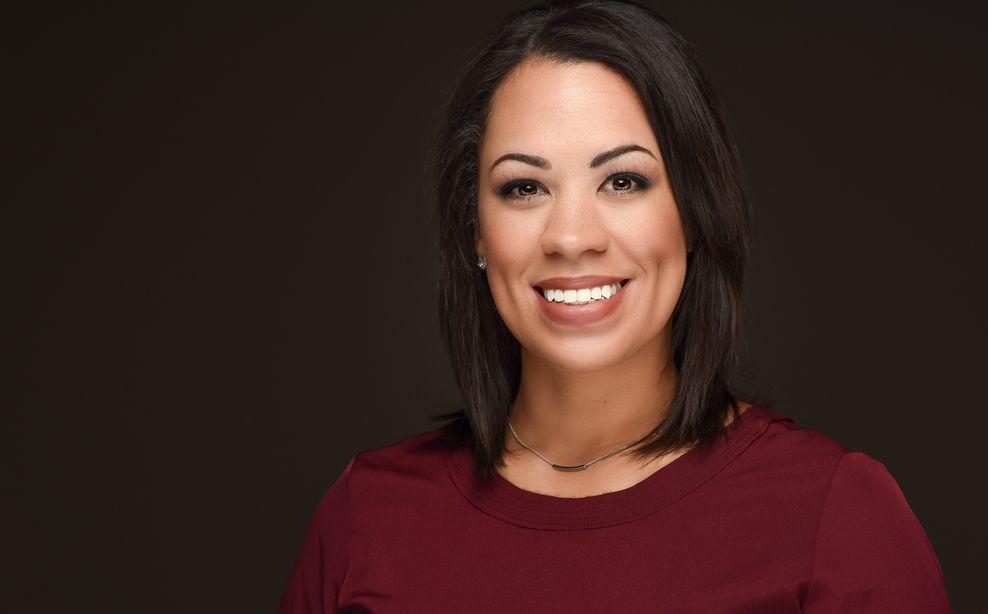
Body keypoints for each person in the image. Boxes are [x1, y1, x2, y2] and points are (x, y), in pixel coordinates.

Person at [278, 1, 951, 611]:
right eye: (524, 188)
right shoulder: (366, 514)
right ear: (476, 232)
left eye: (623, 181)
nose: (572, 238)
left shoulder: (833, 514)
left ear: (695, 213)